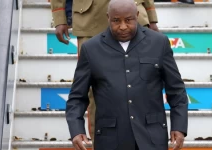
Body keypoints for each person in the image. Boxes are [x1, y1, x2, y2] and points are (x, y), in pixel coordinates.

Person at [66, 0, 188, 150]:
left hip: (151, 137)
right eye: (116, 21)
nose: (123, 26)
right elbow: (77, 97)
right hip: (110, 140)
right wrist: (76, 130)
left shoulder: (159, 43)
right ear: (108, 18)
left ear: (137, 16)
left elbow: (176, 90)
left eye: (128, 20)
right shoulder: (91, 49)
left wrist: (179, 127)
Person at [50, 0, 159, 143]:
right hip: (91, 19)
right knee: (95, 88)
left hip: (134, 15)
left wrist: (151, 15)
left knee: (140, 84)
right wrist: (59, 16)